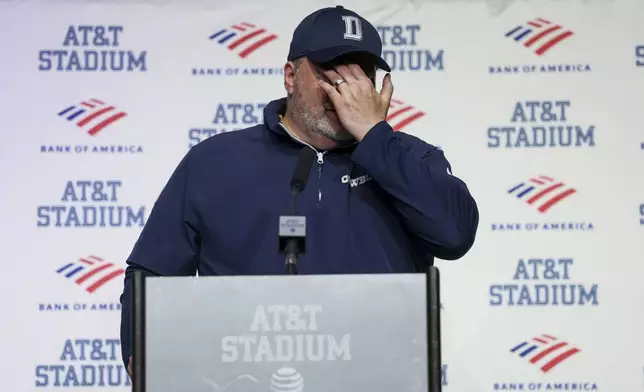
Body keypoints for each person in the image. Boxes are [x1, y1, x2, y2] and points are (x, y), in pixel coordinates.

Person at [119, 4, 479, 377]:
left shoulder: (410, 159)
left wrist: (375, 139)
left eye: (362, 74)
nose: (345, 87)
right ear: (290, 76)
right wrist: (143, 352)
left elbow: (454, 236)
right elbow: (152, 272)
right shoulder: (215, 162)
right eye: (332, 70)